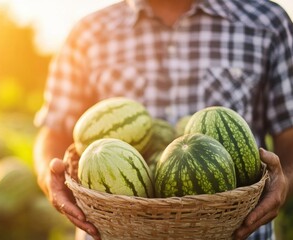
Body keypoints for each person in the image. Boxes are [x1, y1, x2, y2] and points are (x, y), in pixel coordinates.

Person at [33, 0, 293, 239]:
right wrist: (50, 177)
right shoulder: (87, 33)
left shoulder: (267, 23)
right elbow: (53, 132)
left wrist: (286, 180)